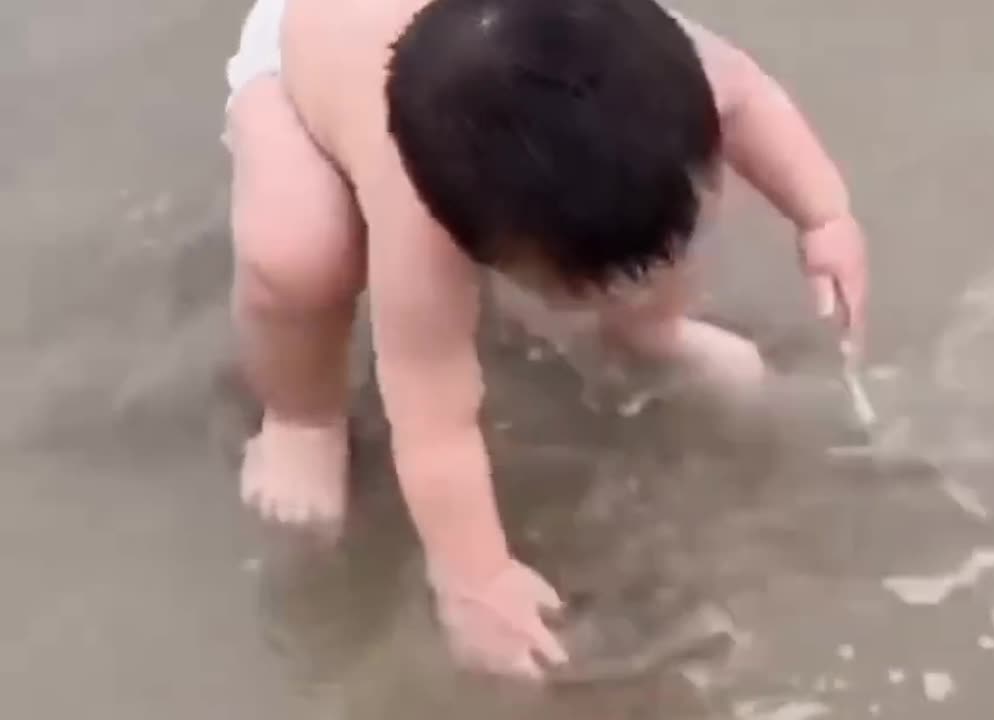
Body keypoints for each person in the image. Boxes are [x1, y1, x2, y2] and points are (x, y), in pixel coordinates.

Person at [224, 0, 868, 682]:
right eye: (577, 285)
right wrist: (474, 575)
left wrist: (823, 215)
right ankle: (300, 417)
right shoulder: (420, 231)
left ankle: (653, 331)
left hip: (527, 61)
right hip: (305, 58)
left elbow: (751, 103)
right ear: (472, 243)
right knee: (297, 261)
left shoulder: (668, 74)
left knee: (650, 219)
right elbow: (435, 424)